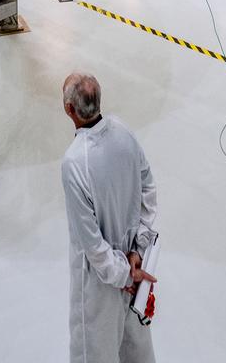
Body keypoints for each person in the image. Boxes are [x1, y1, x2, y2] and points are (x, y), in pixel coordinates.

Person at [60, 73, 157, 363]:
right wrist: (138, 251)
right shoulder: (124, 132)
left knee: (96, 352)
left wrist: (124, 275)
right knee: (135, 349)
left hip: (101, 284)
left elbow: (91, 243)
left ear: (69, 109)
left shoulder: (74, 162)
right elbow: (148, 188)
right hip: (134, 265)